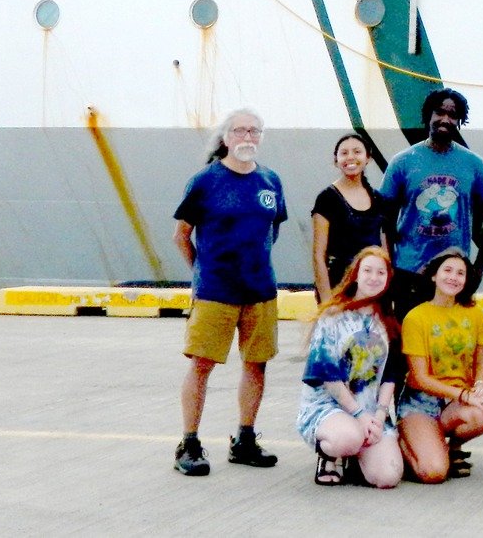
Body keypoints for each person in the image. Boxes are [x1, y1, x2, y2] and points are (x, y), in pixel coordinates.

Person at [171, 108, 287, 476]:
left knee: (256, 364)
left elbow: (272, 232)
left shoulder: (270, 181)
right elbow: (182, 235)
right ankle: (189, 442)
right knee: (202, 365)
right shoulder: (205, 181)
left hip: (260, 290)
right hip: (216, 291)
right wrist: (202, 273)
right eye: (240, 130)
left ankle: (245, 439)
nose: (247, 137)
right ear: (225, 138)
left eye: (255, 131)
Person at [382, 88, 483, 320]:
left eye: (452, 114)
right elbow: (384, 220)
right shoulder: (403, 162)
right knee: (407, 348)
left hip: (454, 274)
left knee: (449, 347)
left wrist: (477, 268)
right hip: (409, 272)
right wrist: (389, 265)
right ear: (428, 115)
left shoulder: (474, 165)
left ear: (459, 120)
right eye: (439, 112)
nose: (445, 119)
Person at [297, 247, 404, 488]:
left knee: (388, 477)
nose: (373, 278)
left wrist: (378, 415)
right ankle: (330, 456)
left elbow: (391, 373)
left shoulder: (388, 321)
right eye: (367, 270)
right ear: (355, 274)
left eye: (381, 272)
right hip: (331, 406)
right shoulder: (333, 316)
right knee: (348, 438)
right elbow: (327, 374)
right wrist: (358, 414)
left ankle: (357, 458)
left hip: (370, 410)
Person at [397, 249, 483, 483]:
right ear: (434, 276)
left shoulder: (475, 314)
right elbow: (420, 378)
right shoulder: (416, 317)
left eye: (460, 273)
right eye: (448, 270)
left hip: (454, 403)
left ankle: (451, 446)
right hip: (421, 402)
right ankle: (404, 441)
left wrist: (479, 385)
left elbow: (481, 361)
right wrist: (464, 394)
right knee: (434, 473)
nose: (454, 277)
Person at [311, 132, 390, 302]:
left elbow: (384, 249)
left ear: (367, 158)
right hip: (339, 288)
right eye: (344, 153)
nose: (350, 157)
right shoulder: (327, 198)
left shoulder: (378, 199)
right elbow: (319, 254)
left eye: (357, 152)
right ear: (336, 160)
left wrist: (385, 289)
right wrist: (326, 301)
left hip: (372, 287)